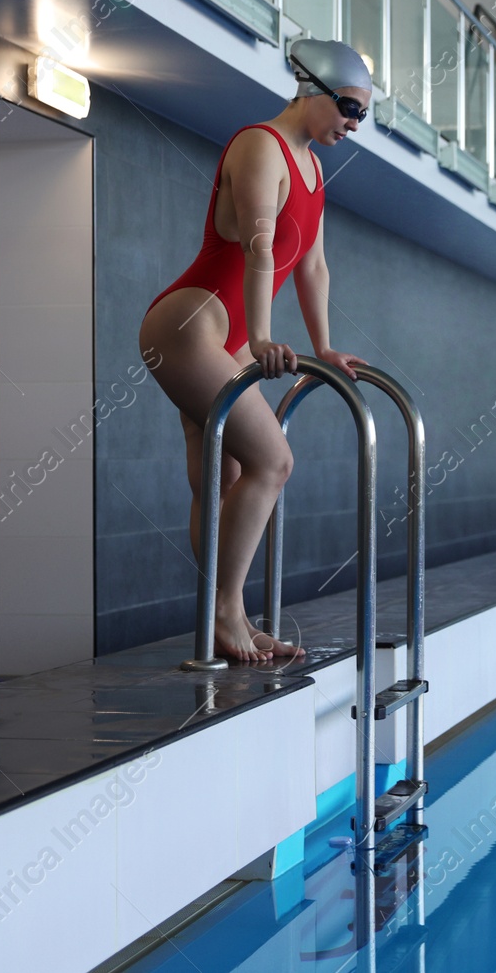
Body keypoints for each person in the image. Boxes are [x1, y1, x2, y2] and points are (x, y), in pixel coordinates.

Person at [139, 38, 372, 663]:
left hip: (227, 336)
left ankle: (229, 613)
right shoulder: (259, 145)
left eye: (364, 116)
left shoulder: (317, 169)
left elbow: (314, 266)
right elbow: (259, 247)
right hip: (189, 324)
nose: (354, 124)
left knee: (225, 480)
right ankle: (222, 611)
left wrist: (325, 347)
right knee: (274, 461)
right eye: (349, 108)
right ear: (312, 88)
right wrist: (265, 338)